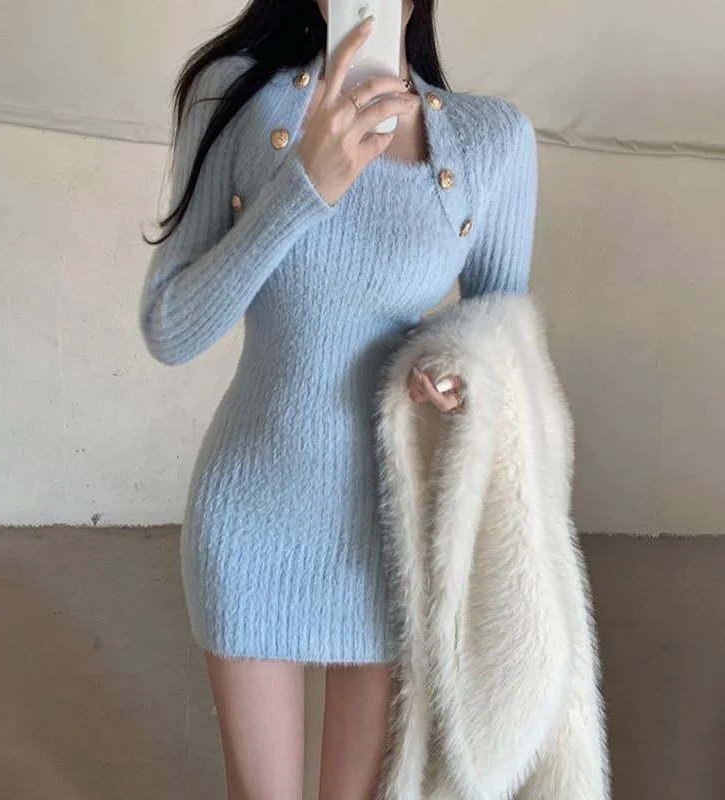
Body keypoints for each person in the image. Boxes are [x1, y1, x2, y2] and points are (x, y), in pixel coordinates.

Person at [139, 1, 538, 797]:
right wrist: (302, 188)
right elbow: (170, 328)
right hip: (249, 516)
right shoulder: (234, 96)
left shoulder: (491, 140)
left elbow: (503, 345)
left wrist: (460, 377)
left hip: (392, 530)